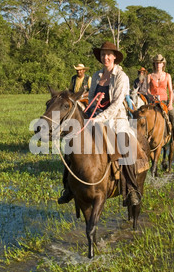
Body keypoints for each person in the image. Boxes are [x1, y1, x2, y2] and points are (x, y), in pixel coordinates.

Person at [58, 41, 145, 207]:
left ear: (114, 57)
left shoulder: (122, 77)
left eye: (108, 54)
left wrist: (98, 119)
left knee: (124, 143)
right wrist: (88, 116)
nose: (105, 57)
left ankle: (132, 188)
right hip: (94, 117)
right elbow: (91, 99)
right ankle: (69, 187)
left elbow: (117, 104)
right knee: (71, 143)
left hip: (116, 119)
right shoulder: (97, 76)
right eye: (103, 54)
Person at [147, 54, 174, 147]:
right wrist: (151, 95)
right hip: (153, 103)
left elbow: (170, 91)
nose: (158, 65)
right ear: (154, 64)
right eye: (156, 63)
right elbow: (147, 91)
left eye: (160, 63)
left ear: (163, 64)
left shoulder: (167, 76)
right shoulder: (149, 76)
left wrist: (170, 103)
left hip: (165, 102)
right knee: (141, 118)